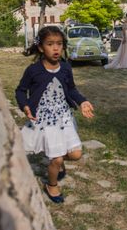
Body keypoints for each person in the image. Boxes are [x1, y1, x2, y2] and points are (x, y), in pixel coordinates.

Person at [15, 26, 95, 203]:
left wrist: (82, 101)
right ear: (41, 48)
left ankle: (55, 158)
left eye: (59, 44)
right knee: (57, 159)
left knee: (75, 155)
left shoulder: (66, 68)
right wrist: (25, 106)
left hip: (63, 118)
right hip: (44, 121)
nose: (56, 48)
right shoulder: (33, 70)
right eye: (50, 44)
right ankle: (51, 184)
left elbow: (71, 89)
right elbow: (20, 91)